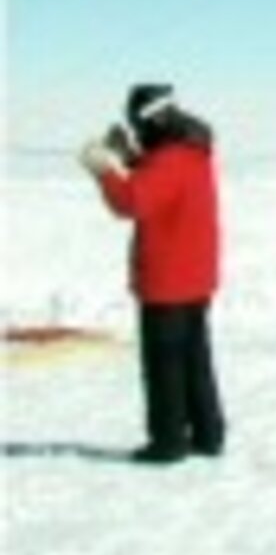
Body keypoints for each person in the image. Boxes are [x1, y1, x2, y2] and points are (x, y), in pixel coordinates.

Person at [79, 82, 225, 464]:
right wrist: (128, 158)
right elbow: (158, 179)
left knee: (164, 366)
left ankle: (168, 442)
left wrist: (103, 170)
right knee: (194, 358)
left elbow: (132, 201)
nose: (135, 131)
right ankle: (208, 434)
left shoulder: (170, 159)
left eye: (136, 124)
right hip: (195, 278)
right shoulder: (192, 151)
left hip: (168, 281)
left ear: (151, 120)